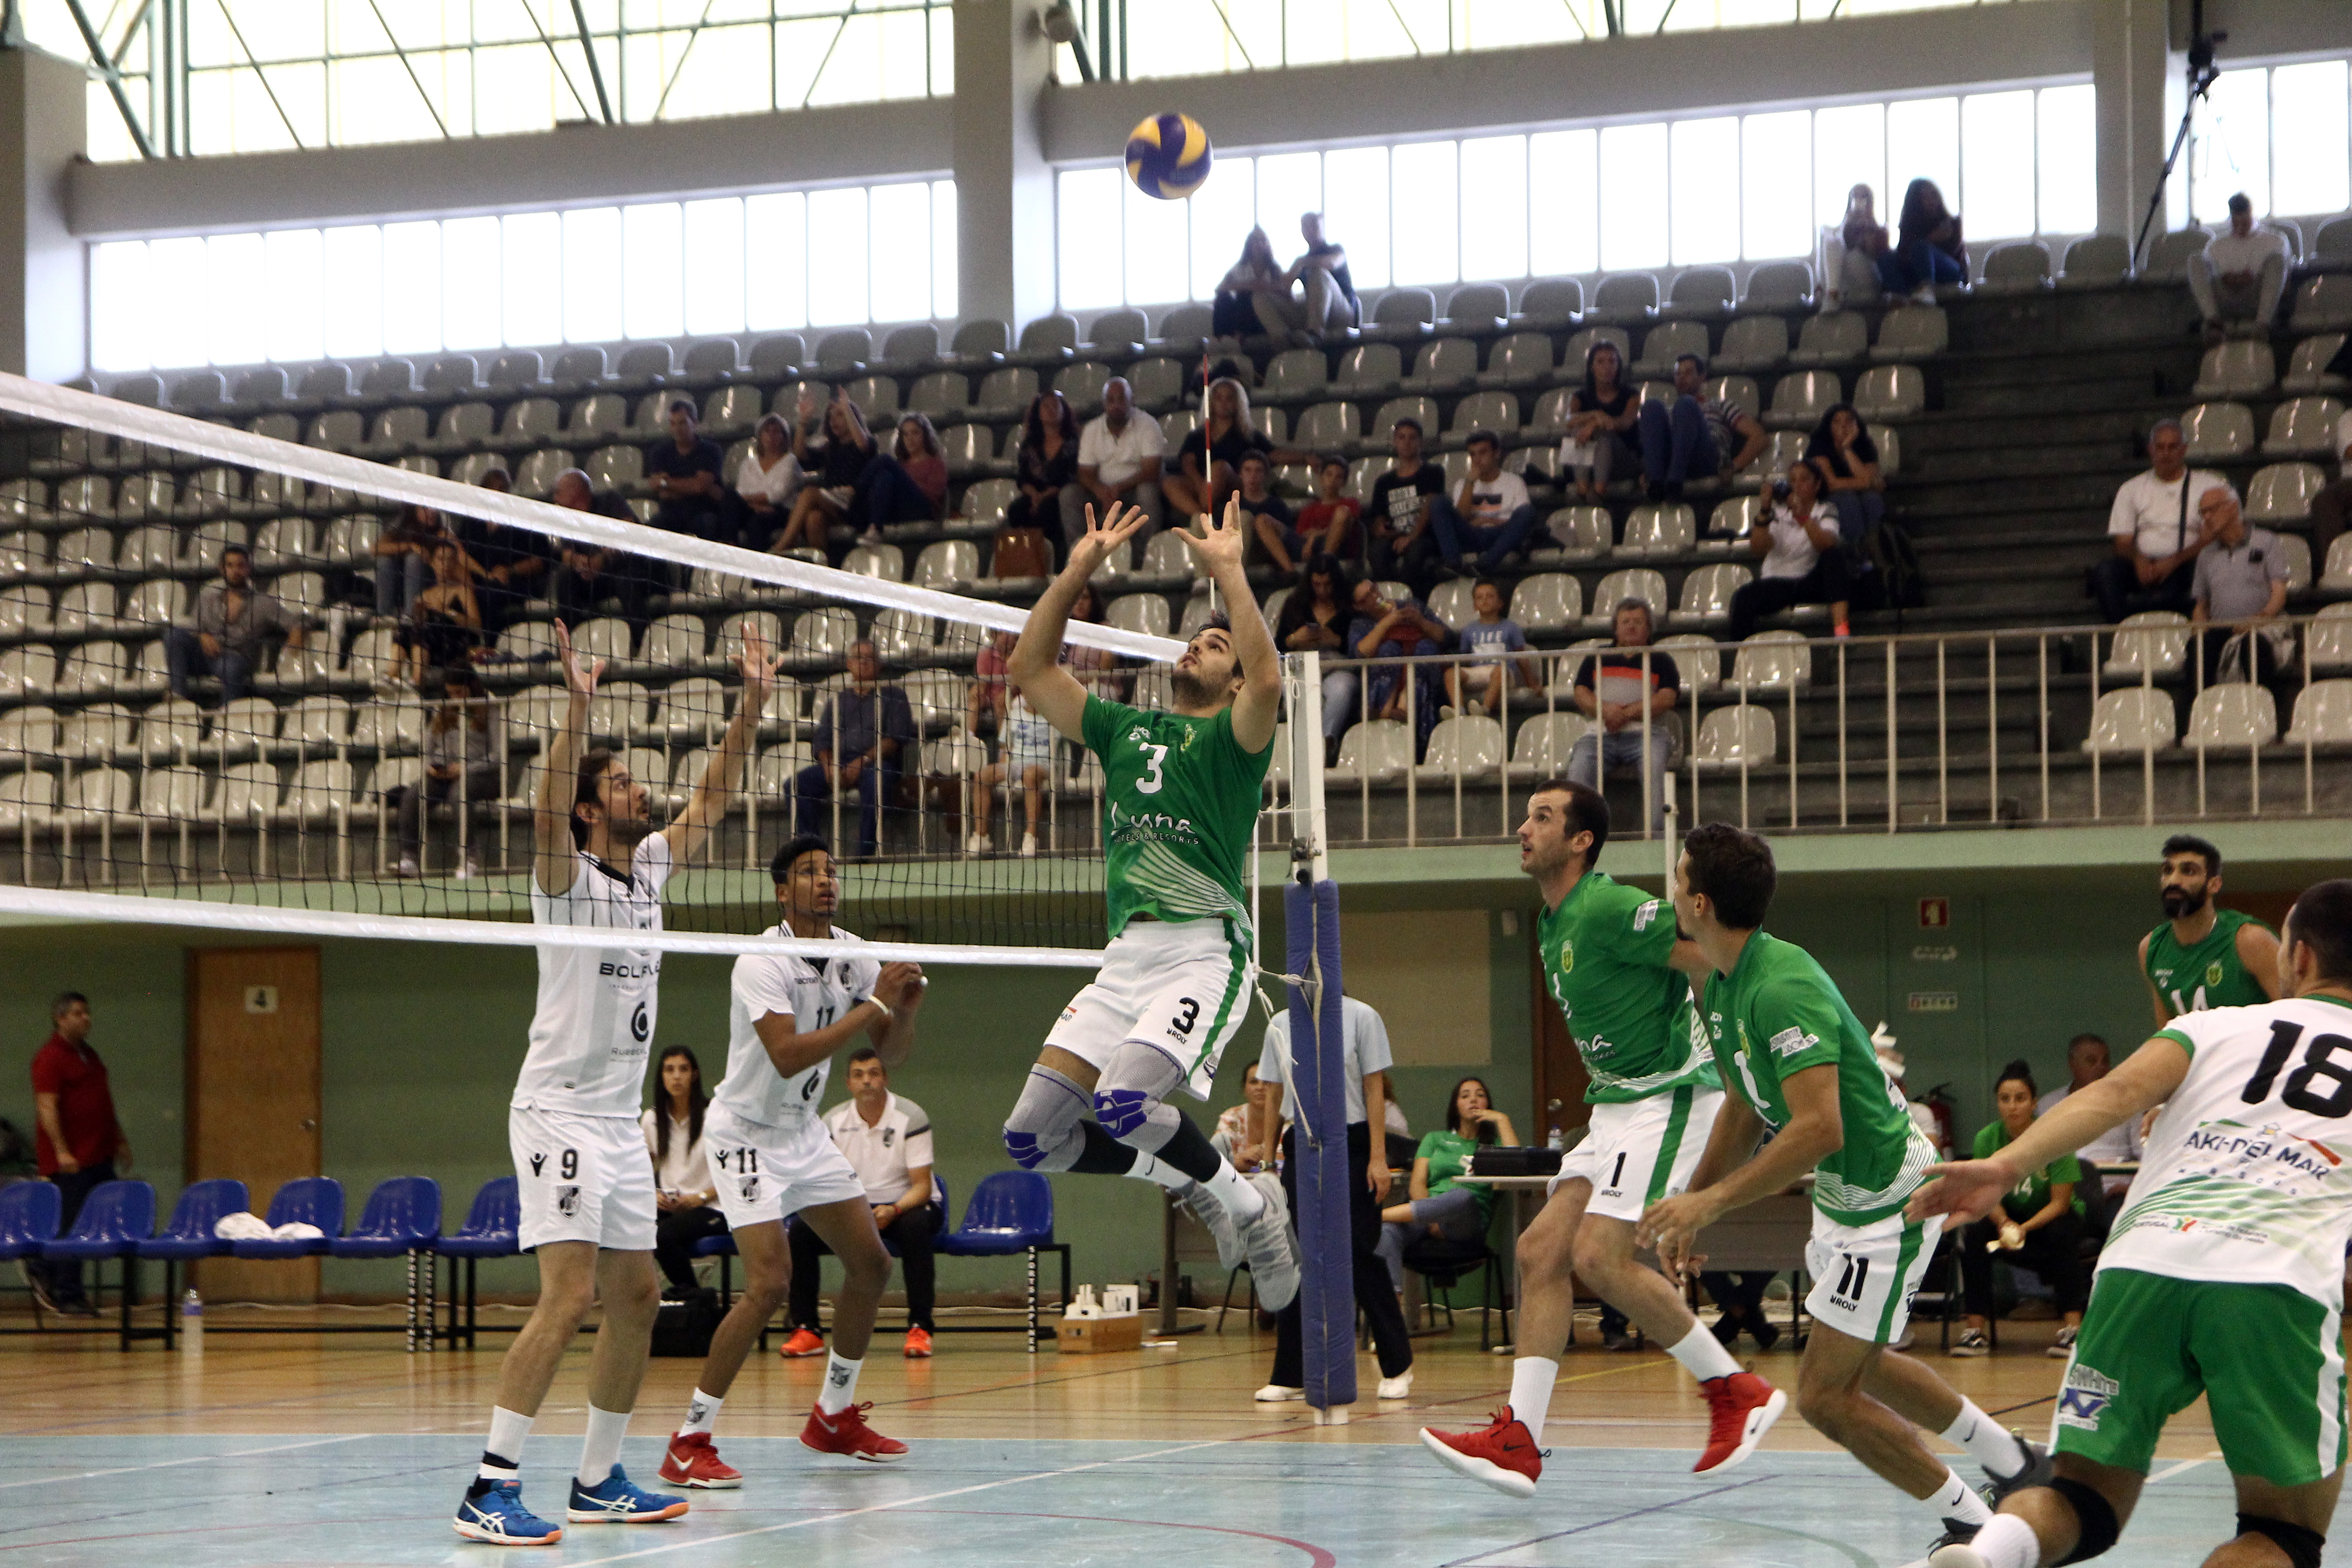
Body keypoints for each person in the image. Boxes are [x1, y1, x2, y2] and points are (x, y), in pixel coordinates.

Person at [1634, 823, 2049, 1563]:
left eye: (1673, 877)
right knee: (1867, 1366)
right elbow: (1739, 1105)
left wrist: (1711, 1203)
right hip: (1843, 1202)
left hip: (1887, 1203)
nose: (1666, 887)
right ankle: (2016, 1462)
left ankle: (1979, 1528)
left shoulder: (1779, 984)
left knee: (1825, 1397)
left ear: (1696, 900)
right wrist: (1694, 1206)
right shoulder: (1724, 981)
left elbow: (1818, 1128)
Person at [1913, 878, 2352, 1568]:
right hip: (2273, 1279)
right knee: (2282, 1533)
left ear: (2296, 959)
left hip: (2140, 1266)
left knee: (2082, 1500)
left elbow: (2114, 1093)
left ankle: (1993, 1555)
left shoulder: (2216, 1024)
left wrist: (2002, 1166)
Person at [451, 617, 774, 1546]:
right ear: (595, 808)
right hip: (555, 1115)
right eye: (622, 780)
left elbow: (713, 795)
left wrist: (751, 702)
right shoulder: (567, 880)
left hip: (616, 1122)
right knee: (570, 1295)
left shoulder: (653, 870)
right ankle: (490, 1484)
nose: (642, 787)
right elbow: (547, 812)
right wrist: (576, 709)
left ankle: (597, 1479)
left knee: (637, 1296)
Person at [1422, 785, 1781, 1498]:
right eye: (1527, 815)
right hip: (1616, 1105)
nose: (1524, 828)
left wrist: (1737, 1055)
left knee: (1598, 1255)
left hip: (1669, 1093)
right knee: (1540, 1251)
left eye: (1543, 817)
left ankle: (1734, 1391)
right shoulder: (1550, 922)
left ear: (1582, 841)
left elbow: (1713, 957)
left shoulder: (1611, 906)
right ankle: (1517, 1442)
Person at [996, 497, 1300, 1328]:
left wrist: (1229, 571)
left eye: (1213, 645)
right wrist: (1077, 569)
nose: (1193, 647)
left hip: (1202, 952)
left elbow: (1270, 677)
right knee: (1032, 1139)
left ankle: (1248, 1203)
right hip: (1124, 959)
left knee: (1125, 1107)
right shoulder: (1126, 729)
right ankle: (1191, 1181)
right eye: (1192, 639)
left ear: (1232, 678)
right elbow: (1028, 667)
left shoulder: (1236, 741)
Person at [656, 835, 927, 1490]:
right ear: (783, 891)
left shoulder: (853, 954)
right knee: (770, 1285)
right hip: (744, 1134)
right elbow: (787, 1054)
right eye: (809, 872)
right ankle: (689, 1439)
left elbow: (889, 1052)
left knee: (872, 1263)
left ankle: (833, 1415)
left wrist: (903, 1009)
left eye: (831, 870)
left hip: (801, 1133)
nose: (825, 880)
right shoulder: (761, 959)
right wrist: (876, 1006)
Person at [1252, 992, 1415, 1403]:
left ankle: (1398, 1364)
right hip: (1301, 1144)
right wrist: (1269, 1161)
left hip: (1353, 1142)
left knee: (1358, 1251)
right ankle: (1290, 1374)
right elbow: (1273, 1094)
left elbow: (1374, 1088)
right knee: (1295, 1255)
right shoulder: (1281, 1024)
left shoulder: (1363, 1016)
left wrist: (1378, 1158)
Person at [784, 1045, 938, 1361]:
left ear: (885, 1078)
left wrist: (893, 1210)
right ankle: (807, 1330)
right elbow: (822, 1182)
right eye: (859, 1075)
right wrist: (851, 1214)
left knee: (916, 1228)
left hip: (904, 1207)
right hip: (853, 1209)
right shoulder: (832, 1122)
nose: (866, 1081)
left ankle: (921, 1327)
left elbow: (922, 1186)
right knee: (800, 1232)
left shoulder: (912, 1116)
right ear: (849, 1084)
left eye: (873, 1073)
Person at [1948, 1061, 2090, 1360]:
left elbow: (2060, 1203)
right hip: (2008, 1218)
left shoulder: (2055, 1137)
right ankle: (1975, 1332)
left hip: (2050, 1218)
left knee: (2062, 1232)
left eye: (2021, 1098)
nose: (2013, 1107)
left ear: (2034, 1103)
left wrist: (2022, 1229)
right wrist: (2003, 1222)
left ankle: (2073, 1331)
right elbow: (1986, 1194)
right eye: (2005, 1099)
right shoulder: (1987, 1139)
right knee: (1974, 1233)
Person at [27, 992, 125, 1317]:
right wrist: (61, 1151)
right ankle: (67, 1293)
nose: (87, 1019)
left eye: (88, 1012)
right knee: (73, 1226)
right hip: (72, 1161)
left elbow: (102, 1101)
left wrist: (119, 1138)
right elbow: (47, 1107)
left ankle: (47, 1266)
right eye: (78, 1013)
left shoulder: (90, 1056)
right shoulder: (50, 1057)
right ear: (61, 1018)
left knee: (103, 1219)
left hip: (99, 1155)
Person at [1376, 1077, 1513, 1295]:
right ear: (1455, 1106)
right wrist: (1431, 1221)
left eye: (1480, 1095)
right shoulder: (1434, 1140)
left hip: (1468, 1223)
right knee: (1387, 1232)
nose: (1473, 1100)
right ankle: (1393, 1311)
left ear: (1488, 1104)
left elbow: (1514, 1165)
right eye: (1465, 1096)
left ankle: (1377, 1216)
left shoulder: (1493, 1145)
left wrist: (1502, 1121)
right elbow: (1418, 1184)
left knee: (1462, 1196)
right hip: (1427, 1217)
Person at [2094, 419, 2229, 625]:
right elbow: (2122, 542)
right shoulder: (2131, 489)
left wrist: (2173, 562)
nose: (2166, 454)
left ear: (2184, 450)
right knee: (2106, 572)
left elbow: (2214, 535)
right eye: (2160, 447)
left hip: (2186, 563)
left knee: (2205, 568)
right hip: (2144, 564)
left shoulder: (2209, 485)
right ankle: (2121, 635)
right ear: (2150, 449)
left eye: (2173, 447)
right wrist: (2139, 561)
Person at [1568, 598, 1681, 838]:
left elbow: (1667, 698)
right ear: (1615, 628)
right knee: (1579, 769)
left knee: (1655, 767)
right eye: (1625, 622)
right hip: (1599, 734)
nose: (1631, 627)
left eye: (1638, 622)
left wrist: (1624, 713)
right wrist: (1604, 711)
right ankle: (1581, 838)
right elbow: (1581, 693)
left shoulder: (1662, 660)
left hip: (1647, 734)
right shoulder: (1597, 657)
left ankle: (1656, 837)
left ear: (1649, 629)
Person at [2138, 833, 2280, 1024]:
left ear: (2214, 885)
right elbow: (2168, 1033)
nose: (2173, 881)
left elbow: (2300, 1017)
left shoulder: (2250, 940)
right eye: (2168, 870)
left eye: (2188, 871)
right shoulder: (2151, 948)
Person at [794, 640, 916, 859]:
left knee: (875, 783)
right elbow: (822, 740)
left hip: (877, 763)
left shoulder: (894, 696)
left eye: (870, 658)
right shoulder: (838, 700)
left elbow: (894, 740)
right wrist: (829, 765)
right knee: (797, 785)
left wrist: (862, 762)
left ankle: (864, 855)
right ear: (849, 664)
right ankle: (812, 854)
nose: (864, 663)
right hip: (840, 762)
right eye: (859, 658)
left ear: (879, 665)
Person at [388, 665, 501, 878]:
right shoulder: (441, 708)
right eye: (451, 692)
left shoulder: (491, 707)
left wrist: (465, 769)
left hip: (481, 774)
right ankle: (409, 859)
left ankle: (469, 859)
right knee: (413, 796)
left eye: (459, 692)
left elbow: (497, 756)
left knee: (459, 796)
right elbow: (427, 748)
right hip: (443, 773)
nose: (455, 697)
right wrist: (432, 766)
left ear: (471, 688)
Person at [164, 544, 305, 707]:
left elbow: (296, 621)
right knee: (174, 635)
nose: (235, 571)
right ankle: (178, 695)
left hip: (234, 656)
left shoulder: (263, 603)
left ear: (248, 569)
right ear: (222, 569)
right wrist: (203, 635)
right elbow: (194, 627)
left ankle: (227, 716)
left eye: (240, 565)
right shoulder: (208, 597)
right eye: (230, 566)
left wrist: (296, 632)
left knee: (232, 668)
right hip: (204, 656)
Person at [1730, 456, 1852, 640]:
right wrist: (1764, 510)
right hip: (1778, 582)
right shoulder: (1777, 512)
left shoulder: (1825, 509)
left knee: (1833, 557)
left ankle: (1842, 633)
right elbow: (1758, 548)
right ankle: (1743, 655)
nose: (1797, 485)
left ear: (1817, 485)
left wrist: (1803, 517)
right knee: (1743, 598)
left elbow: (1826, 543)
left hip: (1809, 579)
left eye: (1804, 479)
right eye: (1793, 480)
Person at [2189, 481, 2293, 685]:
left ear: (2233, 507)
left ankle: (2265, 708)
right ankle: (2199, 711)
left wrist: (2258, 620)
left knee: (2255, 646)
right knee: (2198, 648)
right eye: (2203, 513)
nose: (2207, 518)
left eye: (2212, 510)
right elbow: (2201, 606)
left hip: (2260, 626)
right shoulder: (2205, 555)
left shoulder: (2266, 542)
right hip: (2221, 629)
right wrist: (2199, 630)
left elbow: (2279, 593)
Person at [641, 1046, 722, 1302]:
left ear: (695, 1075)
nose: (676, 1077)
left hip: (713, 1206)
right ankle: (643, 1301)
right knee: (629, 1229)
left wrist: (701, 1197)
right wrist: (652, 1193)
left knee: (663, 1236)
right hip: (671, 1205)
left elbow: (734, 1175)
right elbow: (640, 1170)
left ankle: (694, 1299)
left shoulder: (715, 1117)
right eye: (669, 1070)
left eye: (683, 1070)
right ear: (661, 1077)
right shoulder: (652, 1119)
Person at [1637, 353, 1768, 500]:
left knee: (1686, 404)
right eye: (1678, 374)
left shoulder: (1721, 405)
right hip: (1671, 458)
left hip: (1705, 458)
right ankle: (1656, 481)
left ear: (1702, 377)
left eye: (1688, 373)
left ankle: (1675, 482)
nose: (1682, 378)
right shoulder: (1667, 411)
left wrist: (1734, 466)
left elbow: (1759, 436)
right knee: (1651, 406)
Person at [1276, 555, 1360, 767]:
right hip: (1302, 663)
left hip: (1337, 665)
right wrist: (1295, 639)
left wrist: (1335, 640)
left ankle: (1326, 741)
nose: (1323, 590)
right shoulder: (1295, 604)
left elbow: (1358, 646)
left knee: (1342, 689)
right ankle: (1303, 745)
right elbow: (1279, 644)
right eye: (1317, 585)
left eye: (1328, 584)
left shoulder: (1348, 607)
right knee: (1296, 691)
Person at [548, 469, 656, 632]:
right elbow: (567, 554)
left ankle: (642, 640)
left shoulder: (610, 501)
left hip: (630, 571)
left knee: (625, 581)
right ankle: (573, 639)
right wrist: (580, 563)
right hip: (597, 580)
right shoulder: (569, 518)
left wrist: (602, 560)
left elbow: (630, 532)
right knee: (565, 579)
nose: (555, 499)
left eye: (558, 493)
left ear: (575, 491)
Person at [2035, 1034, 2142, 1192]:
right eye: (2092, 1061)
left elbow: (2146, 1157)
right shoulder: (2049, 1106)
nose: (2101, 1067)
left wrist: (2127, 1189)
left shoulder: (2129, 1105)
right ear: (2073, 1065)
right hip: (2065, 1195)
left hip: (2115, 1192)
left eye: (2105, 1061)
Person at [1067, 377, 1166, 547]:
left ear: (1131, 400)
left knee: (1147, 492)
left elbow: (1151, 471)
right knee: (1069, 495)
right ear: (1104, 404)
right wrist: (1100, 491)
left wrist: (1117, 490)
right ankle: (1079, 553)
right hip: (1102, 492)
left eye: (1122, 399)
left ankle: (1148, 554)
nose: (1116, 405)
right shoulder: (1092, 429)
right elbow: (1085, 473)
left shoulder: (1148, 424)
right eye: (1111, 400)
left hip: (1135, 489)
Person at [1349, 575, 1450, 739]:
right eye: (1366, 598)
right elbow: (1360, 653)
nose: (1375, 597)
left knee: (1425, 650)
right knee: (1389, 650)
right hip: (1387, 672)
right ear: (1358, 606)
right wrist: (1388, 622)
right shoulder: (1361, 624)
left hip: (1421, 667)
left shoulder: (1413, 606)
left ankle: (1407, 708)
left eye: (1373, 590)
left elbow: (1446, 638)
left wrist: (1421, 621)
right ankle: (1383, 710)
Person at [1162, 377, 1272, 523]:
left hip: (1233, 487)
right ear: (1211, 402)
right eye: (1219, 398)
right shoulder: (1197, 436)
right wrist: (1201, 484)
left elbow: (1273, 454)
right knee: (1168, 482)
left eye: (1229, 398)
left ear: (1237, 403)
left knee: (1220, 467)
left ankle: (1204, 516)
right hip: (1201, 485)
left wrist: (1305, 457)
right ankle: (1202, 519)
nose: (1224, 403)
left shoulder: (1248, 435)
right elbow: (1188, 464)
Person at [2189, 192, 2291, 344]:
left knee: (2278, 260)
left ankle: (2262, 326)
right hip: (2226, 298)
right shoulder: (2216, 246)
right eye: (2236, 222)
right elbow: (2209, 276)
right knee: (2195, 259)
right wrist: (2225, 277)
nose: (2240, 227)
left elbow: (2284, 277)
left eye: (2245, 221)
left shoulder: (2276, 240)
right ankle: (2214, 322)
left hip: (2256, 297)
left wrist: (2253, 276)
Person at [1431, 431, 1537, 576]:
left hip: (1502, 535)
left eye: (1483, 453)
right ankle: (1453, 564)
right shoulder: (1463, 484)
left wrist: (1488, 520)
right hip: (1472, 534)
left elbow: (1520, 521)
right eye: (1473, 455)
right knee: (1439, 503)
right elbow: (1461, 517)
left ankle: (1485, 564)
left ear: (1497, 454)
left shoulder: (1514, 482)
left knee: (1527, 511)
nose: (1477, 459)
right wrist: (1470, 484)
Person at [449, 489, 549, 639]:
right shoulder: (472, 524)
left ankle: (490, 645)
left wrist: (511, 571)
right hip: (479, 583)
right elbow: (462, 556)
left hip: (517, 584)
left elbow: (542, 561)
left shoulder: (524, 521)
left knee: (487, 596)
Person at [970, 680, 1054, 858]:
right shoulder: (1015, 715)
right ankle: (981, 835)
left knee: (1030, 776)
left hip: (1043, 765)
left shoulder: (1055, 717)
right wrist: (1005, 770)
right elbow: (1005, 748)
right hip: (1016, 764)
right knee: (982, 776)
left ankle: (1031, 836)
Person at [1366, 417, 1446, 598]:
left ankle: (1410, 601)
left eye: (1412, 438)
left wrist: (1411, 537)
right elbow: (1378, 514)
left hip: (1424, 536)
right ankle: (1387, 600)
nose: (1407, 443)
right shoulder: (1384, 482)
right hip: (1394, 536)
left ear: (1420, 442)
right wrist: (1380, 528)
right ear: (1395, 442)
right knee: (1376, 552)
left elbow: (1430, 505)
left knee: (1415, 554)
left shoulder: (1433, 473)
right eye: (1402, 438)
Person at [393, 539, 485, 689]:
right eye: (441, 559)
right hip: (431, 648)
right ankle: (391, 674)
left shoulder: (463, 591)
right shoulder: (424, 595)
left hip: (456, 647)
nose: (445, 564)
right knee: (405, 626)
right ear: (433, 563)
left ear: (456, 563)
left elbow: (477, 626)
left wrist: (447, 612)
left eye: (450, 559)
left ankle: (417, 679)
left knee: (427, 625)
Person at [1444, 578, 1538, 719]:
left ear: (1500, 603)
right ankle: (1459, 711)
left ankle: (1485, 709)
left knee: (1500, 671)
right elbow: (1465, 659)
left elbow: (1521, 657)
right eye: (1480, 598)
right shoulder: (1469, 630)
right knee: (1451, 673)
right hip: (1478, 671)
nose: (1485, 600)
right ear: (1475, 605)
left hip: (1503, 674)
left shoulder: (1511, 628)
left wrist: (1532, 684)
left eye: (1490, 596)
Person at [1258, 211, 1358, 341]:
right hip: (1312, 311)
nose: (1311, 230)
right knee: (1260, 297)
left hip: (1342, 313)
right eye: (1306, 226)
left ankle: (1315, 334)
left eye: (1314, 225)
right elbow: (1284, 287)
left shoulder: (1336, 249)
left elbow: (1332, 263)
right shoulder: (1301, 261)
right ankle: (1283, 340)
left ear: (1322, 226)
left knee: (1318, 273)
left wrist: (1304, 263)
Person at [1562, 339, 1641, 501]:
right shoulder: (1580, 396)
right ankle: (1583, 489)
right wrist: (1596, 415)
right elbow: (1570, 421)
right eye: (1601, 362)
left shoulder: (1631, 395)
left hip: (1621, 460)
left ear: (1618, 366)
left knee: (1604, 436)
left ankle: (1598, 492)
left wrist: (1594, 424)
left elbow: (1625, 423)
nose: (1607, 367)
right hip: (1587, 461)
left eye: (1612, 362)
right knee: (1576, 431)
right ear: (1592, 367)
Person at [645, 399, 728, 548]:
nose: (677, 428)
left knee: (710, 525)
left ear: (694, 423)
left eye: (682, 423)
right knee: (654, 526)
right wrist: (693, 486)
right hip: (671, 513)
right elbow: (661, 491)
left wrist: (668, 483)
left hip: (703, 512)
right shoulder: (660, 452)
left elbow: (700, 487)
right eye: (673, 423)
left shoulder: (711, 450)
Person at [1807, 403, 1886, 542]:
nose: (1844, 426)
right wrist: (1865, 483)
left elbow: (1872, 481)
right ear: (1829, 426)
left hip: (1859, 495)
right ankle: (1857, 550)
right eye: (1837, 422)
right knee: (1848, 500)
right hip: (1827, 496)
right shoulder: (1819, 446)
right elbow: (1831, 484)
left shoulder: (1865, 446)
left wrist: (1847, 449)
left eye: (1849, 421)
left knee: (1872, 499)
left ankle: (1876, 548)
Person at [1880, 178, 1967, 302]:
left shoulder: (1953, 222)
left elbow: (1953, 252)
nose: (1932, 200)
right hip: (1915, 271)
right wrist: (1930, 239)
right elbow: (1903, 254)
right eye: (1925, 197)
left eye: (1933, 194)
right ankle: (1902, 295)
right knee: (1886, 257)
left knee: (1920, 247)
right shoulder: (1910, 225)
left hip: (1950, 271)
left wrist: (1929, 243)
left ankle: (1928, 290)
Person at [1011, 390, 1081, 539]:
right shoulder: (1030, 444)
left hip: (1059, 496)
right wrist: (1035, 495)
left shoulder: (1073, 443)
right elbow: (1023, 478)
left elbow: (1071, 477)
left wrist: (1044, 497)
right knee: (1016, 510)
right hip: (1034, 495)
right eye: (1046, 406)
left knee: (1048, 510)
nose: (1051, 410)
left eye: (1055, 406)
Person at [728, 412, 802, 553]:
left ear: (784, 436)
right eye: (767, 431)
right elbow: (740, 492)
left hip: (779, 511)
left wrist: (751, 502)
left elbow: (777, 495)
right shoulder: (749, 463)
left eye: (777, 432)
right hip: (752, 508)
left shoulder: (790, 461)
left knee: (756, 523)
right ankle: (730, 545)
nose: (771, 436)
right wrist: (755, 505)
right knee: (730, 498)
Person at [1821, 183, 1889, 312]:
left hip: (1869, 278)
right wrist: (1848, 226)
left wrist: (1868, 229)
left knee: (1853, 256)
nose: (1859, 200)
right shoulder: (1843, 229)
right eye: (1855, 196)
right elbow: (1844, 245)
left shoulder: (1880, 230)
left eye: (1864, 197)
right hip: (1846, 279)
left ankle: (1833, 295)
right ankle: (1832, 293)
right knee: (1831, 240)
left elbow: (1880, 259)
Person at [376, 503, 452, 617]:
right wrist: (410, 546)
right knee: (384, 561)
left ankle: (411, 617)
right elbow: (375, 549)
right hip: (400, 588)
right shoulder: (402, 531)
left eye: (434, 508)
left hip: (430, 587)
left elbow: (459, 555)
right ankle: (384, 616)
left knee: (414, 560)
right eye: (425, 508)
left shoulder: (442, 533)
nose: (432, 512)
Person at [1213, 226, 1285, 338]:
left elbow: (1286, 292)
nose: (1259, 244)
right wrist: (1248, 285)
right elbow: (1220, 288)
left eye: (1262, 240)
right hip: (1242, 314)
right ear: (1249, 245)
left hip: (1264, 316)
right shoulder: (1240, 267)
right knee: (1227, 297)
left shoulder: (1275, 268)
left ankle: (1240, 334)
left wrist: (1265, 287)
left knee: (1251, 296)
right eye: (1255, 241)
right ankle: (1220, 339)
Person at [1289, 455, 1361, 565]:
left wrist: (1314, 535)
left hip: (1341, 549)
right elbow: (1302, 534)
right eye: (1329, 474)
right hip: (1310, 549)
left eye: (1339, 477)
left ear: (1344, 483)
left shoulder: (1350, 504)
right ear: (1321, 478)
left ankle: (1325, 565)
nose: (1333, 480)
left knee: (1342, 512)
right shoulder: (1308, 509)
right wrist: (1316, 536)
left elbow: (1345, 526)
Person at [1212, 1060, 1279, 1172]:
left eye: (1267, 1082)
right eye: (1254, 1082)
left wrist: (1239, 1161)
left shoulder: (1287, 1120)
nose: (1260, 1087)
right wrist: (1243, 1157)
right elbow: (1218, 1163)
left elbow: (1284, 1166)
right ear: (1244, 1089)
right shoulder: (1231, 1118)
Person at [895, 414, 948, 521]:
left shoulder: (936, 464)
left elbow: (933, 495)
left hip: (924, 511)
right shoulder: (901, 465)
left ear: (925, 435)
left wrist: (908, 485)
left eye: (915, 433)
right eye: (906, 435)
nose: (910, 439)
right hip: (900, 510)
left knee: (885, 461)